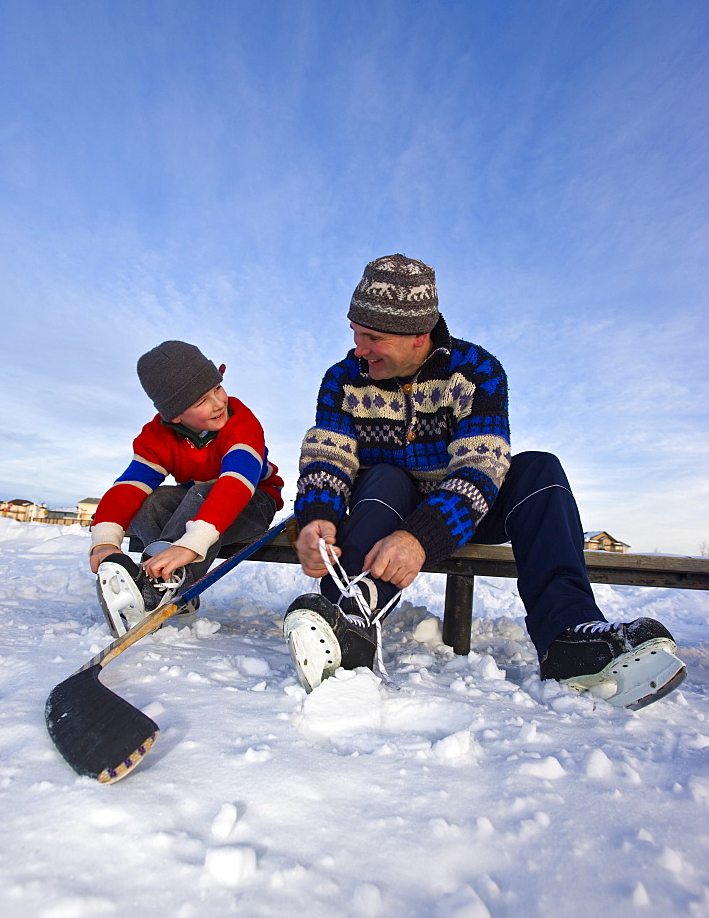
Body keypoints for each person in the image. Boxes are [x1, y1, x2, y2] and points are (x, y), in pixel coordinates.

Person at [283, 254, 685, 709]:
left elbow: (481, 467)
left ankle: (569, 639)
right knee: (385, 476)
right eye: (355, 333)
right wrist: (318, 516)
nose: (359, 349)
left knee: (540, 470)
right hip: (386, 502)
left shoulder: (476, 371)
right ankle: (347, 622)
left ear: (420, 335)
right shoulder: (342, 379)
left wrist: (419, 537)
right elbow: (328, 455)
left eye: (373, 337)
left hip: (467, 507)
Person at [90, 340, 283, 636]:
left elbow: (235, 481)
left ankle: (163, 585)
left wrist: (189, 546)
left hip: (252, 501)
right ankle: (172, 585)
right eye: (201, 401)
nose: (219, 403)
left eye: (217, 388)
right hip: (200, 504)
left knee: (204, 491)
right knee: (150, 502)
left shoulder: (241, 421)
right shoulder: (158, 436)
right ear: (175, 416)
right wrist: (104, 539)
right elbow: (129, 486)